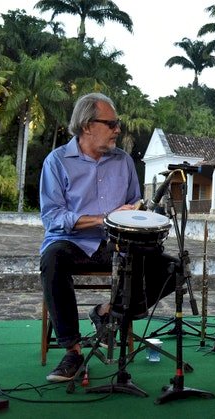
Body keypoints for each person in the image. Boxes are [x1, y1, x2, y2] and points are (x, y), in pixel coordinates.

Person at [39, 93, 176, 382]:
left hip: (117, 242)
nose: (118, 129)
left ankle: (107, 313)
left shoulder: (123, 161)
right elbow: (53, 217)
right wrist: (105, 218)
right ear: (88, 125)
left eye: (118, 123)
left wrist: (137, 213)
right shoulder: (57, 161)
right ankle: (73, 353)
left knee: (172, 269)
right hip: (72, 241)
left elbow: (135, 202)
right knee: (52, 259)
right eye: (111, 123)